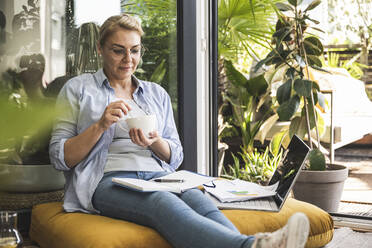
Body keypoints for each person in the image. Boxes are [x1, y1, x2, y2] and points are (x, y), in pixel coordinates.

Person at [49, 14, 310, 248]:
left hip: (159, 175)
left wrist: (154, 142)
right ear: (100, 49)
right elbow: (60, 157)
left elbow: (174, 155)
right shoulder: (78, 89)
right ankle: (249, 246)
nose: (128, 60)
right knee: (163, 203)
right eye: (118, 51)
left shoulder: (155, 94)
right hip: (106, 180)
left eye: (135, 51)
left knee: (202, 203)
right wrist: (100, 125)